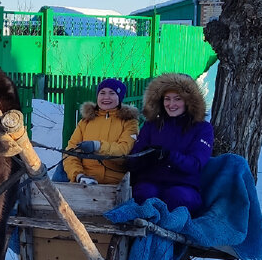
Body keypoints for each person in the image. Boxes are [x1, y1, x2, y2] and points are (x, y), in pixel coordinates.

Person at [129, 73, 213, 214]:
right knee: (144, 195)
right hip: (150, 182)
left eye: (177, 99)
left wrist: (168, 155)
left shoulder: (202, 128)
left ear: (189, 101)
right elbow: (132, 161)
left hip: (184, 185)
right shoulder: (151, 125)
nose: (171, 104)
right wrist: (145, 156)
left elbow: (196, 164)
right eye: (167, 99)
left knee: (177, 198)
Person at [62, 77, 139, 185]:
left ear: (119, 97)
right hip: (82, 181)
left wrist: (97, 146)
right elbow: (70, 152)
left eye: (112, 93)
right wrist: (78, 175)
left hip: (113, 182)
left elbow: (123, 150)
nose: (106, 97)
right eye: (102, 93)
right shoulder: (86, 122)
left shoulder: (129, 122)